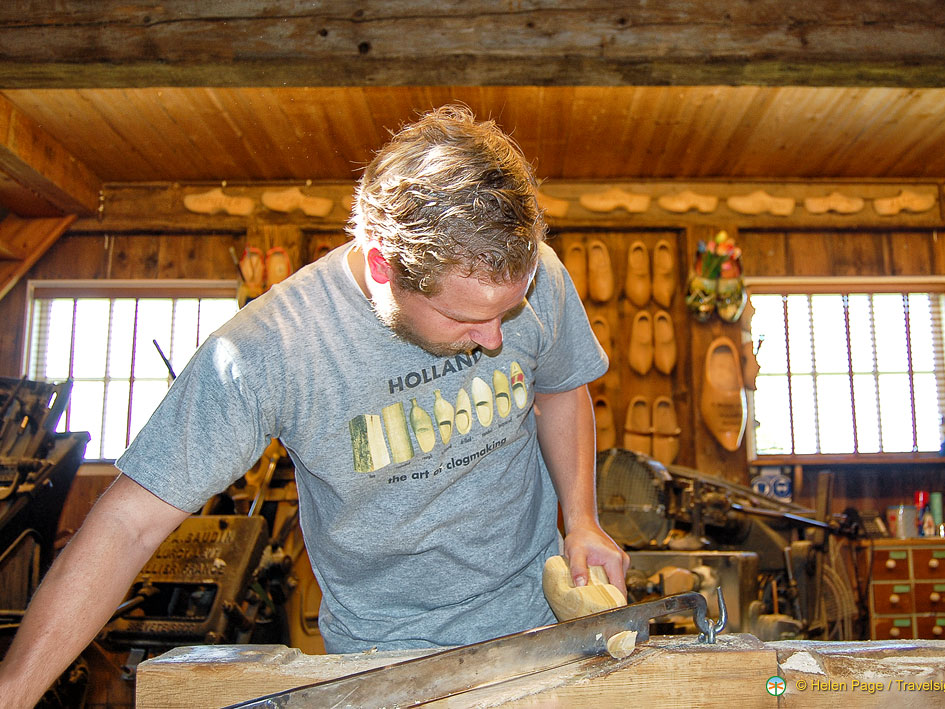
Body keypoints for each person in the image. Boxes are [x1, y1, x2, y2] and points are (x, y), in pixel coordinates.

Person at [0, 104, 627, 707]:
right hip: (386, 656)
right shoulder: (268, 351)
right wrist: (13, 694)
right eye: (465, 317)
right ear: (383, 267)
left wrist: (583, 520)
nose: (493, 339)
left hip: (542, 620)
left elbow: (558, 389)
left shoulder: (535, 274)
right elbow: (127, 524)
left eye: (509, 310)